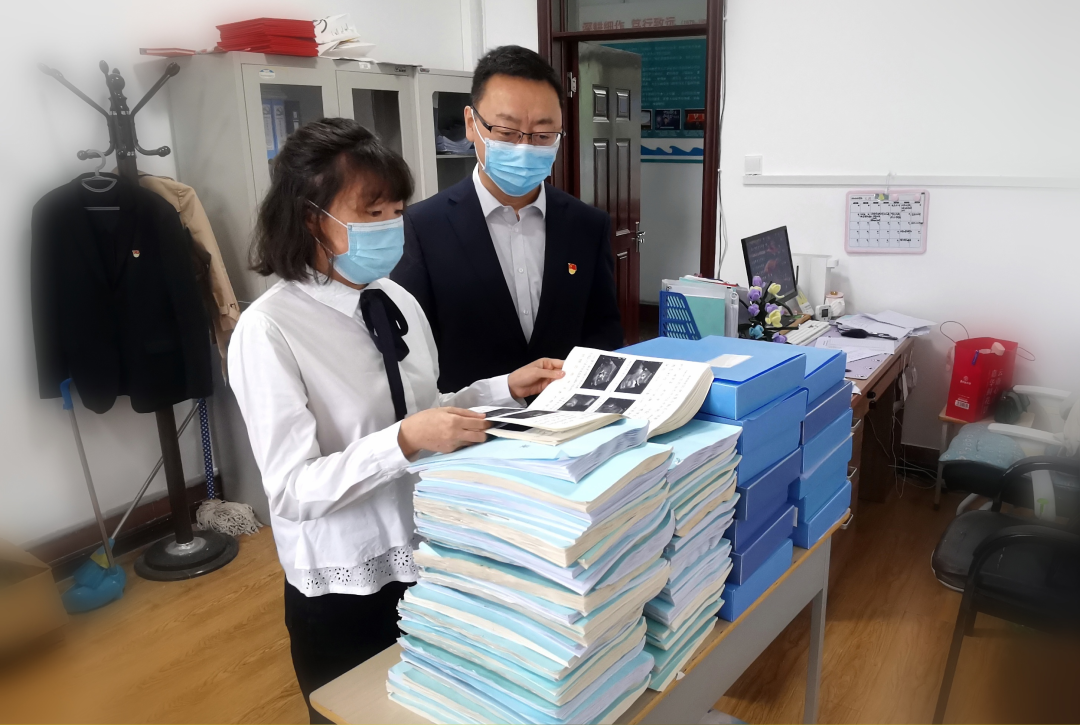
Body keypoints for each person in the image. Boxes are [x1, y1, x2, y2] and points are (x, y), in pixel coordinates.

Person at [227, 118, 564, 723]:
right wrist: (403, 442)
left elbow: (426, 409)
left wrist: (504, 389)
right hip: (346, 583)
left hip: (429, 552)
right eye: (371, 211)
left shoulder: (393, 297)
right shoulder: (269, 329)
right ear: (310, 218)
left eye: (396, 211)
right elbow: (293, 488)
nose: (390, 225)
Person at [392, 45, 624, 393]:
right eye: (506, 132)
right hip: (470, 421)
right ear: (471, 124)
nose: (525, 147)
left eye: (543, 135)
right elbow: (412, 353)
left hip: (570, 415)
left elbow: (604, 333)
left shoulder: (587, 225)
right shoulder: (423, 227)